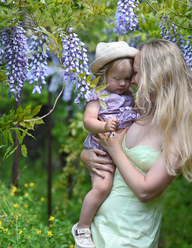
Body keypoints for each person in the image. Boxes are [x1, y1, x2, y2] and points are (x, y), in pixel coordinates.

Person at [78, 39, 192, 248]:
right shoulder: (137, 111)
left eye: (136, 73)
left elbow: (146, 191)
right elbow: (103, 142)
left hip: (131, 238)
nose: (131, 81)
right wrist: (86, 156)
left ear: (155, 75)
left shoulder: (178, 130)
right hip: (97, 229)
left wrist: (115, 150)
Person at [72, 41, 139, 248]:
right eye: (117, 79)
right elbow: (88, 121)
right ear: (103, 77)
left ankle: (106, 228)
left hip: (122, 148)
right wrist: (104, 126)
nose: (122, 84)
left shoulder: (129, 95)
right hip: (102, 148)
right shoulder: (98, 95)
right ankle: (83, 227)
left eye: (127, 79)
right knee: (102, 188)